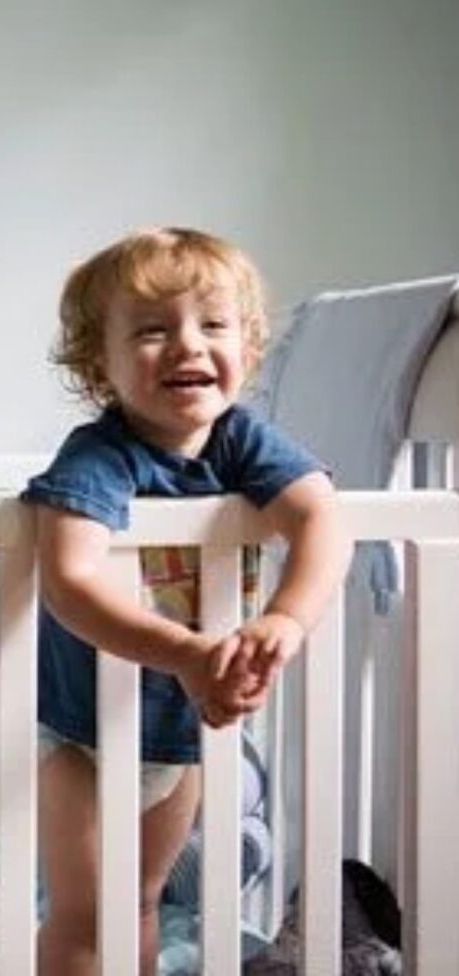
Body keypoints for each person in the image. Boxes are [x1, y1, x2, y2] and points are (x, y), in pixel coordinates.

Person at [21, 227, 352, 975]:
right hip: (81, 731)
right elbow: (70, 578)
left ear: (249, 347)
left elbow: (322, 518)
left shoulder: (242, 441)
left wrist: (285, 617)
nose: (186, 345)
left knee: (139, 901)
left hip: (177, 728)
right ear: (97, 365)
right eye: (150, 330)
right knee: (86, 911)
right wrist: (189, 655)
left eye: (213, 324)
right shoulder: (100, 455)